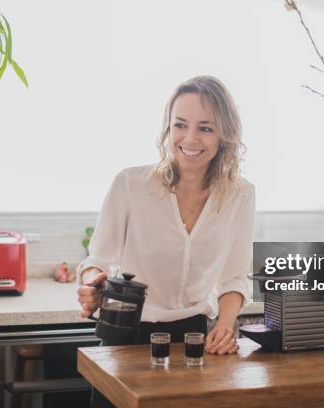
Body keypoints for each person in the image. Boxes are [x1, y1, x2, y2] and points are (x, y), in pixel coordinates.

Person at [76, 75, 254, 354]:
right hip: (126, 333)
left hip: (194, 337)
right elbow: (99, 260)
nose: (190, 138)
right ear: (168, 128)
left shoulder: (240, 194)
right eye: (180, 125)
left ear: (224, 135)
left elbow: (234, 276)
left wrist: (225, 325)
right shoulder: (130, 184)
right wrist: (91, 283)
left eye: (206, 128)